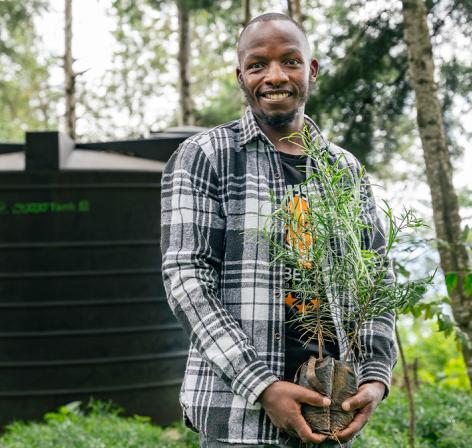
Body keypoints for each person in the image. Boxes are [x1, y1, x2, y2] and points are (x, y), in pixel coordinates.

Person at [160, 12, 397, 447]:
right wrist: (263, 386)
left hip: (332, 414)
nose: (274, 76)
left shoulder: (343, 170)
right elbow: (187, 278)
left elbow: (377, 278)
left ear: (311, 70)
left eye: (290, 61)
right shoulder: (205, 156)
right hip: (237, 417)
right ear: (240, 76)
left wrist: (377, 377)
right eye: (257, 65)